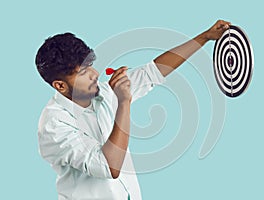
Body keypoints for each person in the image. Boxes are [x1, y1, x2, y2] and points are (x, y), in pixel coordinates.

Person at [36, 20, 230, 200]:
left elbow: (153, 72)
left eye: (91, 66)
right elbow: (108, 166)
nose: (95, 74)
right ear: (60, 86)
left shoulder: (102, 92)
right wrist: (123, 102)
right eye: (84, 72)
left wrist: (204, 37)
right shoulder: (54, 124)